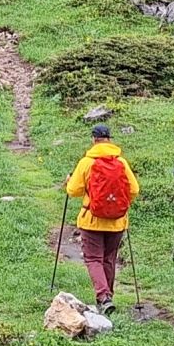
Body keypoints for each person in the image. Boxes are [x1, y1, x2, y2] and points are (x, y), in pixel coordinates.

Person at [64, 123, 139, 315]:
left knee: (93, 258)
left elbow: (73, 190)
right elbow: (134, 190)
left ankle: (103, 297)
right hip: (117, 221)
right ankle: (108, 297)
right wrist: (116, 203)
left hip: (91, 219)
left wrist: (69, 183)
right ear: (109, 139)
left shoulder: (86, 162)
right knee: (109, 259)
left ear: (93, 139)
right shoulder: (120, 162)